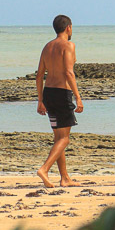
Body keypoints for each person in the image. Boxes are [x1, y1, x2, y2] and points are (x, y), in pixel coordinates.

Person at [35, 14, 84, 188]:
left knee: (58, 138)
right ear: (68, 28)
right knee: (65, 139)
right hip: (62, 94)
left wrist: (40, 100)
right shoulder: (69, 46)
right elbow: (69, 73)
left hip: (48, 93)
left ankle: (64, 178)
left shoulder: (47, 47)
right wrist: (78, 97)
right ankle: (44, 169)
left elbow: (40, 75)